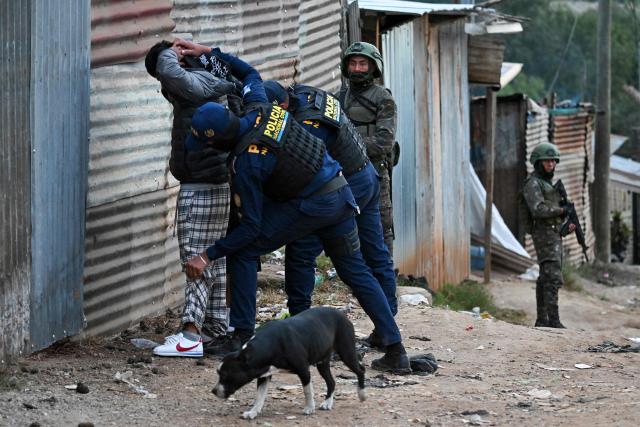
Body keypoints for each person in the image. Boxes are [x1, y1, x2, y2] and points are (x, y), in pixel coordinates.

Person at [175, 40, 411, 373]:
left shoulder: (247, 165)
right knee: (354, 269)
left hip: (317, 203)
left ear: (216, 139)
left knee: (244, 251)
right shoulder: (259, 104)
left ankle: (241, 334)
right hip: (341, 193)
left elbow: (252, 229)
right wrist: (209, 53)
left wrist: (208, 254)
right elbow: (250, 73)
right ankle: (396, 349)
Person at [263, 81, 396, 350]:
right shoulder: (309, 95)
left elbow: (305, 171)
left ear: (283, 106)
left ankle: (299, 327)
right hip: (365, 177)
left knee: (302, 250)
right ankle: (388, 329)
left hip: (346, 188)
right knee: (371, 255)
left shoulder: (309, 126)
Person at [144, 40, 235, 357]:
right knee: (214, 258)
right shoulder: (213, 76)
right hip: (217, 183)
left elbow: (169, 70)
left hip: (200, 185)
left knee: (195, 259)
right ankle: (216, 329)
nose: (163, 83)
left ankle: (190, 335)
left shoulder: (194, 81)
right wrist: (203, 51)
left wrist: (173, 52)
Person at [338, 42, 398, 256]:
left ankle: (385, 279)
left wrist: (349, 149)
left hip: (375, 173)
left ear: (373, 67)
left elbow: (384, 142)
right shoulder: (338, 99)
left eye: (363, 63)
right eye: (353, 63)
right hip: (345, 175)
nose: (357, 68)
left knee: (382, 227)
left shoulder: (383, 99)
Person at [522, 142, 575, 328]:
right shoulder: (533, 184)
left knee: (546, 276)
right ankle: (553, 320)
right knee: (552, 275)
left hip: (554, 233)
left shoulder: (549, 184)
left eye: (553, 161)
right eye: (547, 161)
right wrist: (560, 210)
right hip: (543, 234)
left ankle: (542, 319)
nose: (551, 164)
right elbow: (537, 210)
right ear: (538, 163)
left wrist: (567, 222)